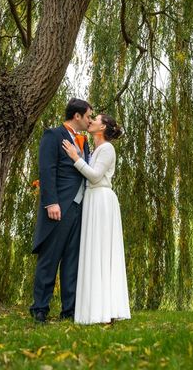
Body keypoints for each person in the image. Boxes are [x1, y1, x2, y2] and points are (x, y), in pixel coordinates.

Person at [62, 114, 130, 324]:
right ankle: (94, 308)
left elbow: (94, 176)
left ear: (103, 127)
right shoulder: (95, 150)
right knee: (93, 252)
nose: (90, 121)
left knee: (101, 251)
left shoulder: (108, 148)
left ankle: (105, 309)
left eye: (95, 119)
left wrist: (76, 158)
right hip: (92, 200)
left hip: (101, 200)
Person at [30, 98, 93, 323]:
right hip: (58, 208)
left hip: (78, 209)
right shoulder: (53, 136)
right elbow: (47, 170)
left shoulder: (84, 143)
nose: (90, 121)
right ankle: (40, 308)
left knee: (72, 261)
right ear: (77, 116)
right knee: (50, 258)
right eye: (88, 116)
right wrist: (51, 203)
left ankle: (70, 310)